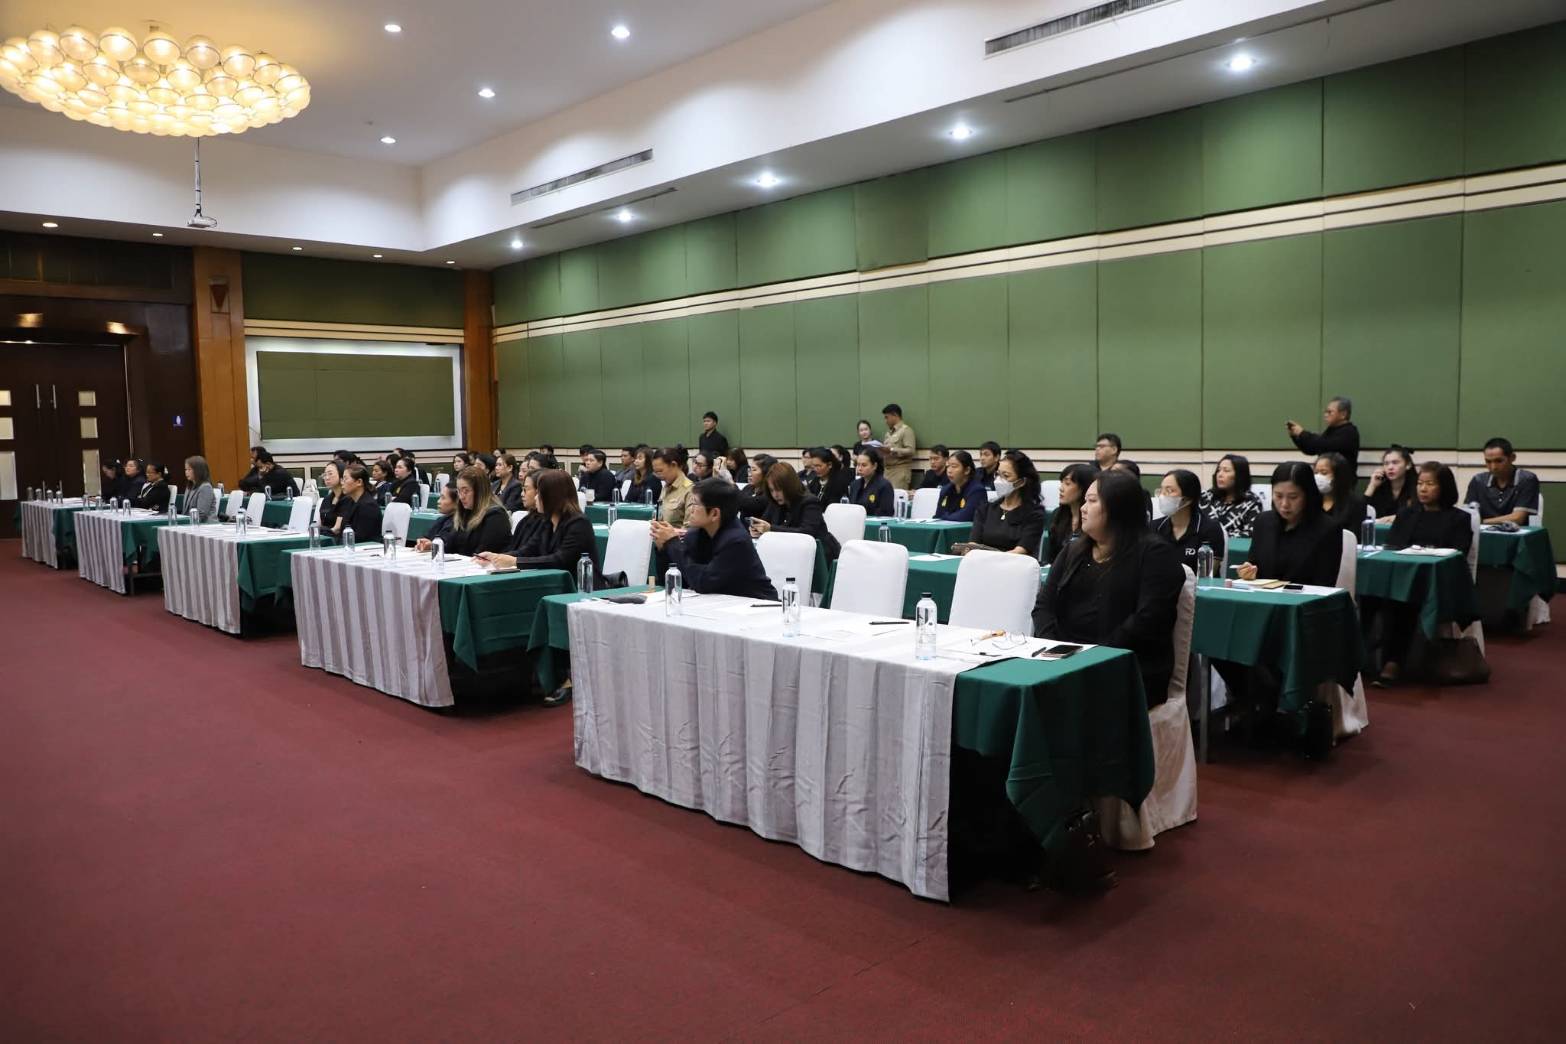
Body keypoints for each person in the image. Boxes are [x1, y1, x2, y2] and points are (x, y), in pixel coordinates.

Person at [1033, 471, 1185, 706]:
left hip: (1125, 666)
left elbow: (1149, 620)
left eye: (1092, 501)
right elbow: (1044, 606)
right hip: (1064, 658)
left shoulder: (1154, 554)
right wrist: (1053, 648)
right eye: (1084, 501)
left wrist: (1093, 656)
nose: (1083, 508)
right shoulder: (1074, 550)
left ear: (1118, 508)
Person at [1369, 462, 1475, 686]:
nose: (1423, 489)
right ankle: (1363, 660)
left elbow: (1458, 554)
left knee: (1401, 603)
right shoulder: (1407, 514)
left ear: (1444, 487)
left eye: (1430, 484)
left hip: (1439, 582)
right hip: (1403, 578)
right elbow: (1392, 546)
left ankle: (1393, 662)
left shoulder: (1459, 519)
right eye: (1419, 483)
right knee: (1371, 596)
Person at [650, 479, 776, 599]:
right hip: (720, 603)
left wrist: (672, 543)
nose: (690, 509)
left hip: (758, 604)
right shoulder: (695, 534)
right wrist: (663, 548)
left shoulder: (736, 541)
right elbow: (680, 580)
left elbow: (703, 583)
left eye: (695, 504)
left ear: (714, 513)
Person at [1236, 462, 1342, 588]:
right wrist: (1249, 573)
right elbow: (1255, 566)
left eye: (1293, 497)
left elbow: (1324, 583)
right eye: (1278, 496)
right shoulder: (1263, 521)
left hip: (1305, 598)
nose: (1284, 504)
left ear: (1308, 495)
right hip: (1265, 595)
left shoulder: (1328, 528)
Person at [749, 462, 840, 559]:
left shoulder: (810, 502)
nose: (775, 494)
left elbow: (807, 532)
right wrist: (757, 529)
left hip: (819, 555)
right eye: (771, 490)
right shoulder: (775, 503)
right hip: (789, 553)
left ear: (789, 486)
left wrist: (770, 529)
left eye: (778, 489)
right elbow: (765, 522)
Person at [965, 450, 1045, 556]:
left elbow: (1021, 550)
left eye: (1006, 476)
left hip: (1014, 562)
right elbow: (974, 542)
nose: (999, 480)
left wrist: (995, 558)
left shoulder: (1034, 514)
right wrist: (970, 550)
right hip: (984, 561)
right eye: (998, 474)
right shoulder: (985, 509)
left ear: (1021, 482)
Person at [1153, 469, 1226, 571]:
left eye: (1169, 491)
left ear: (1188, 498)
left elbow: (1207, 573)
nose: (1162, 496)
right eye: (1161, 490)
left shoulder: (1210, 529)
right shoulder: (1154, 527)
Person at [438, 465, 513, 556]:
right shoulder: (465, 512)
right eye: (459, 491)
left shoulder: (496, 516)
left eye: (466, 491)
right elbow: (451, 544)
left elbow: (482, 554)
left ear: (479, 491)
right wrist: (437, 545)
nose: (461, 497)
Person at [1465, 437, 1540, 526]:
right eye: (1488, 461)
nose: (1493, 467)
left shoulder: (1527, 479)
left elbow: (1517, 518)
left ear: (1512, 458)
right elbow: (1467, 515)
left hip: (1516, 533)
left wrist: (1480, 522)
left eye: (1499, 461)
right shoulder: (1478, 480)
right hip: (1483, 533)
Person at [1199, 453, 1264, 538]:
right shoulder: (1205, 497)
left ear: (1240, 475)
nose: (1220, 474)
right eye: (1218, 470)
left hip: (1233, 545)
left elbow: (1250, 534)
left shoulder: (1252, 502)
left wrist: (1220, 536)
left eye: (1226, 471)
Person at [1288, 395, 1360, 471]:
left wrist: (1302, 433)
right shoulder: (1331, 430)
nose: (1325, 415)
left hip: (1342, 477)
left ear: (1343, 414)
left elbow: (1324, 444)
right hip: (1326, 473)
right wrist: (1295, 437)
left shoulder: (1349, 432)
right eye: (1325, 412)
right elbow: (1311, 449)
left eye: (1329, 412)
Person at [1048, 463, 1097, 558]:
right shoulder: (1058, 515)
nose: (1061, 488)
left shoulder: (1094, 519)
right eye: (1061, 482)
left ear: (1085, 488)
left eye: (1067, 484)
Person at [1316, 452, 1368, 534]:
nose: (1318, 477)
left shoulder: (1355, 503)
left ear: (1339, 475)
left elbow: (1355, 535)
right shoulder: (1311, 501)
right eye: (1316, 473)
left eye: (1324, 473)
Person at [332, 463, 383, 543]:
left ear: (359, 482)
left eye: (345, 479)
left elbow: (361, 538)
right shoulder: (349, 501)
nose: (342, 483)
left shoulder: (368, 506)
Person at [1366, 445, 1416, 522]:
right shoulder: (1379, 486)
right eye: (1386, 463)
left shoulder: (1416, 487)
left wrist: (1397, 518)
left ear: (1408, 465)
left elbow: (1419, 514)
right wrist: (1372, 486)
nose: (1390, 467)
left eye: (1395, 463)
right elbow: (1360, 512)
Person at [934, 450, 986, 522]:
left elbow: (965, 516)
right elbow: (938, 515)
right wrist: (945, 516)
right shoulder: (945, 490)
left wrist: (945, 516)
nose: (949, 471)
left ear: (967, 470)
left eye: (954, 466)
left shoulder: (977, 491)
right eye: (948, 466)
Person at [652, 448, 696, 526]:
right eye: (656, 472)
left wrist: (670, 532)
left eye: (660, 471)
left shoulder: (690, 490)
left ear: (673, 465)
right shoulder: (666, 486)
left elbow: (690, 528)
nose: (658, 476)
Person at [847, 448, 895, 517]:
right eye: (858, 465)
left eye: (864, 465)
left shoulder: (884, 485)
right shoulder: (854, 484)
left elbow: (886, 512)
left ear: (874, 466)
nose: (859, 468)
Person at [881, 404, 917, 490]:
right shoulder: (888, 433)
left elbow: (911, 450)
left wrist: (892, 449)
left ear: (895, 415)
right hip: (887, 472)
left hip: (899, 472)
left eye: (887, 417)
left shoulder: (906, 431)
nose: (885, 421)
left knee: (898, 497)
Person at [413, 483, 458, 552]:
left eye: (443, 498)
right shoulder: (441, 520)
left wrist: (432, 546)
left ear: (456, 502)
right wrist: (423, 542)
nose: (438, 501)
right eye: (440, 497)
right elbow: (427, 537)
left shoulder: (457, 524)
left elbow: (448, 547)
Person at [736, 453, 775, 520]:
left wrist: (730, 483)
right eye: (749, 469)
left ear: (766, 473)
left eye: (754, 470)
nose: (749, 474)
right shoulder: (748, 488)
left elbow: (747, 503)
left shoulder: (769, 493)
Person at [182, 456, 216, 521]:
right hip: (191, 522)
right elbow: (185, 512)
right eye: (186, 469)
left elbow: (201, 515)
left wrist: (184, 522)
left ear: (198, 470)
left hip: (205, 524)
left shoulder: (205, 487)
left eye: (189, 469)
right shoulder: (189, 486)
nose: (186, 472)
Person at [317, 460, 344, 531]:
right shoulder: (326, 499)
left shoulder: (347, 499)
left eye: (330, 474)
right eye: (325, 475)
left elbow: (337, 529)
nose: (327, 478)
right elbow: (319, 524)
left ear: (341, 475)